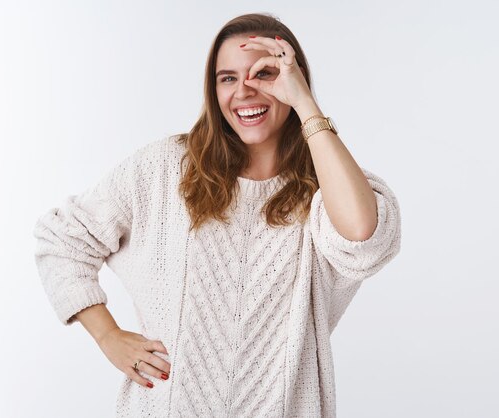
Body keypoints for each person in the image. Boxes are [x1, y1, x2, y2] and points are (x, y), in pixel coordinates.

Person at [33, 12, 401, 418]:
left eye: (265, 74)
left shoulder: (327, 185)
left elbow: (363, 236)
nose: (245, 91)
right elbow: (63, 239)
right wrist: (108, 336)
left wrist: (306, 105)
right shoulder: (164, 168)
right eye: (228, 78)